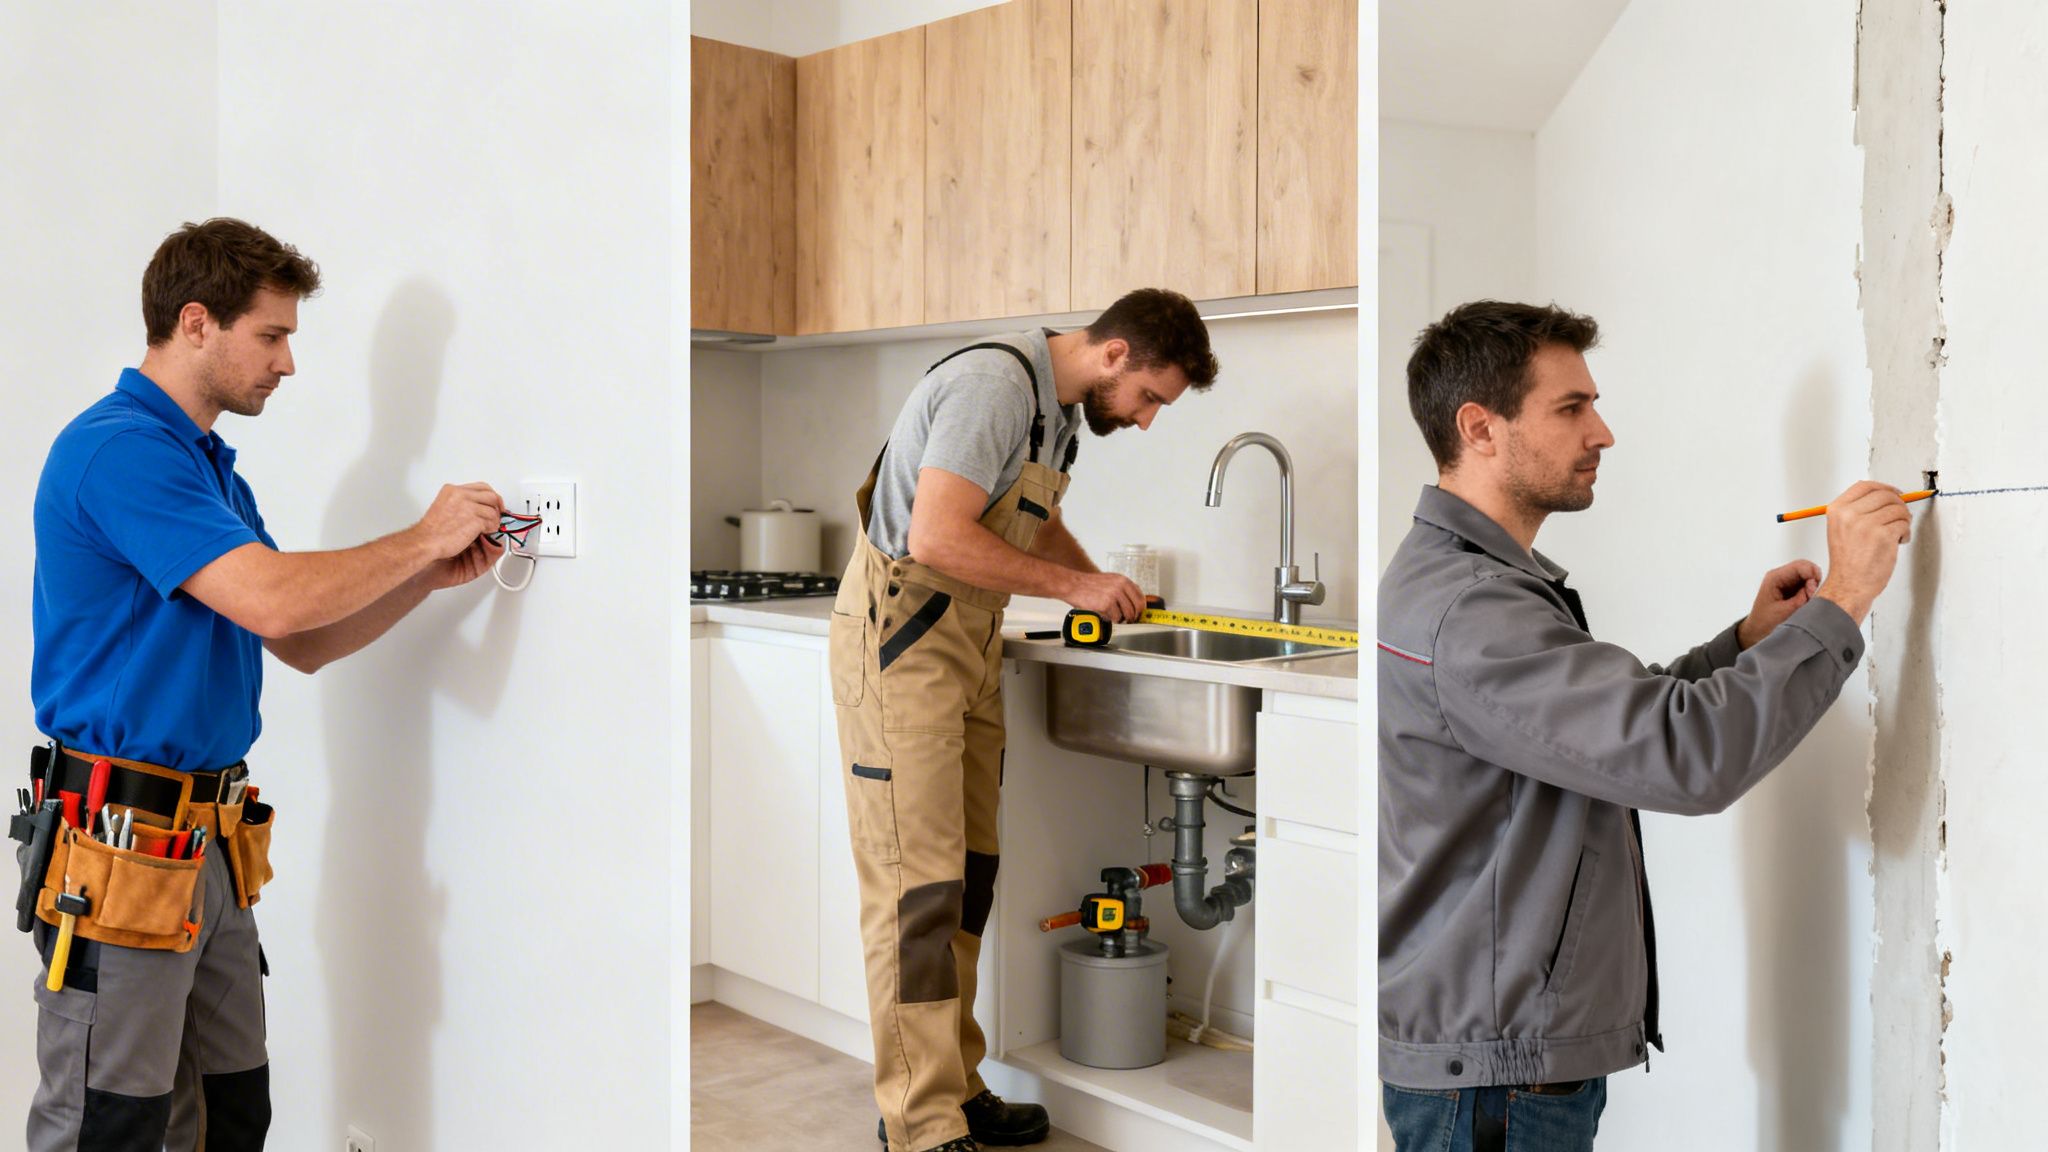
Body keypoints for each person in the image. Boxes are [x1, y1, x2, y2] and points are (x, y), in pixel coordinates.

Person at [1376, 301, 1910, 1150]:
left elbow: (1597, 731)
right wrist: (1844, 603)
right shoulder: (1475, 608)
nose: (1603, 432)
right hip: (1499, 1079)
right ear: (1479, 427)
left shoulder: (1468, 581)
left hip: (1499, 1064)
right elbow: (1681, 758)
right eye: (1571, 408)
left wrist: (1742, 647)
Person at [24, 218, 507, 1150]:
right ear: (197, 323)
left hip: (208, 848)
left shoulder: (207, 469)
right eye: (273, 335)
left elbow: (302, 642)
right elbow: (276, 603)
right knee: (109, 1125)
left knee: (230, 1111)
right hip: (121, 851)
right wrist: (418, 535)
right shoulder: (119, 451)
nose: (287, 363)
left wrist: (425, 577)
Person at [829, 288, 1218, 1152]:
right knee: (915, 891)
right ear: (1116, 353)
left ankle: (955, 1089)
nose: (1149, 420)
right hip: (905, 642)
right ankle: (918, 1123)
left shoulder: (1060, 409)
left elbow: (1030, 527)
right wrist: (1077, 589)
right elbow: (936, 536)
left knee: (967, 878)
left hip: (967, 643)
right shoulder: (995, 384)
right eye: (1152, 397)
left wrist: (1111, 592)